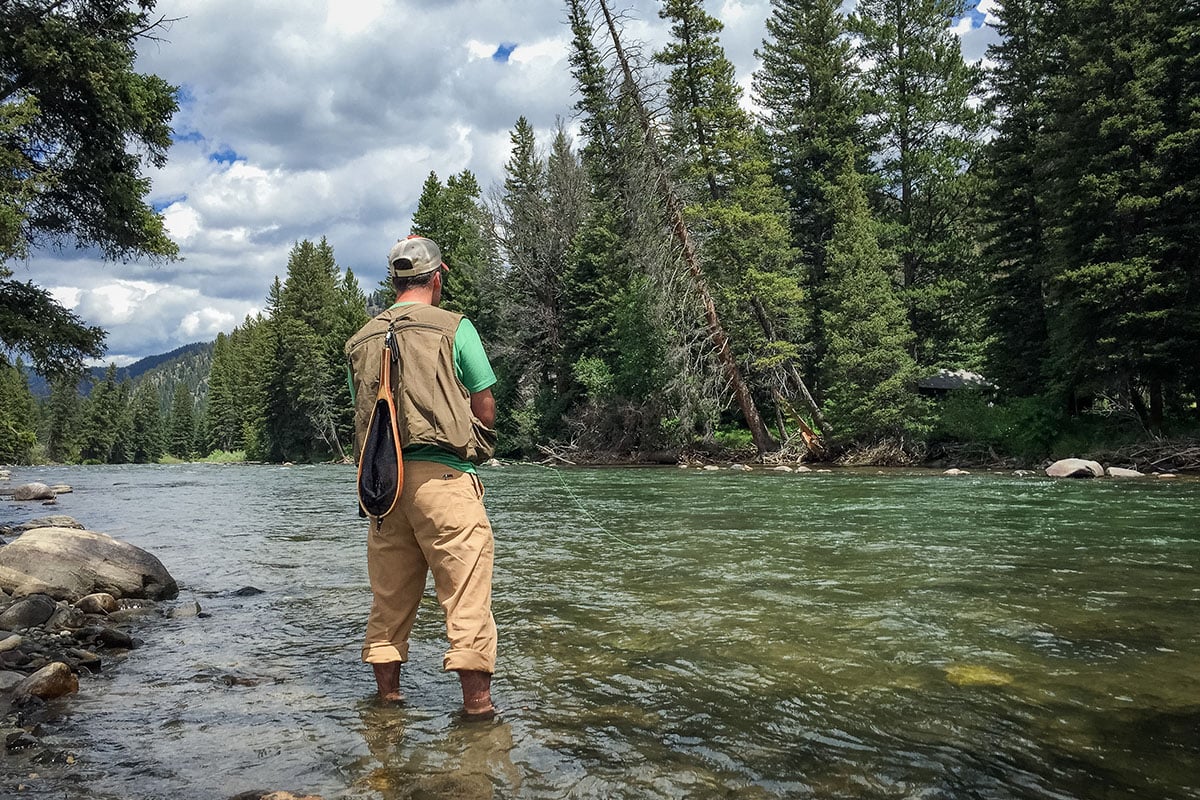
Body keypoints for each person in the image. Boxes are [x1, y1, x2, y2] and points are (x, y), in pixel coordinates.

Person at [345, 235, 499, 719]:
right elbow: (485, 402)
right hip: (447, 481)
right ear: (436, 277)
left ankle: (387, 711)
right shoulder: (456, 328)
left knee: (388, 605)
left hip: (383, 489)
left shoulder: (360, 340)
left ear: (395, 281)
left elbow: (365, 409)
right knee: (466, 602)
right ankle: (478, 717)